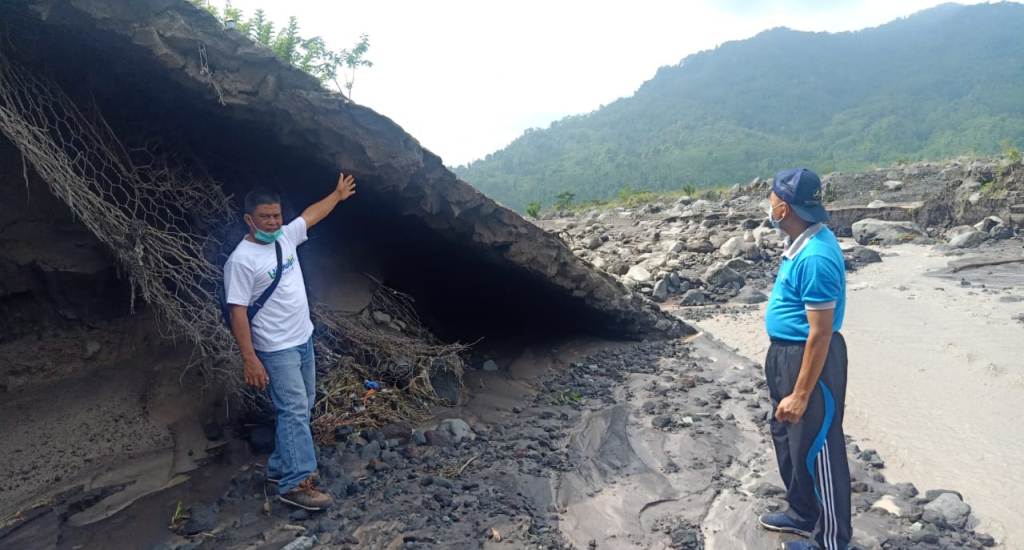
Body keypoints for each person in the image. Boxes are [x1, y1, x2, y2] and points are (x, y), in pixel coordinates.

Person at [223, 172, 356, 511]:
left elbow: (311, 215)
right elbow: (237, 311)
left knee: (305, 402)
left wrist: (337, 195)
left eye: (276, 216)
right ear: (248, 220)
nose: (273, 223)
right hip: (275, 348)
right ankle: (296, 483)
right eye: (265, 218)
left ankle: (280, 466)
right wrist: (249, 358)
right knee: (294, 409)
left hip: (302, 337)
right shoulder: (241, 260)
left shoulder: (284, 237)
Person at [758, 168, 851, 550]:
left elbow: (821, 332)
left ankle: (832, 541)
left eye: (772, 197)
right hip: (786, 354)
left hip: (810, 359)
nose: (769, 203)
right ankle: (802, 513)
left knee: (818, 446)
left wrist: (800, 392)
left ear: (785, 207)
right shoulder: (799, 242)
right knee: (788, 437)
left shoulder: (815, 256)